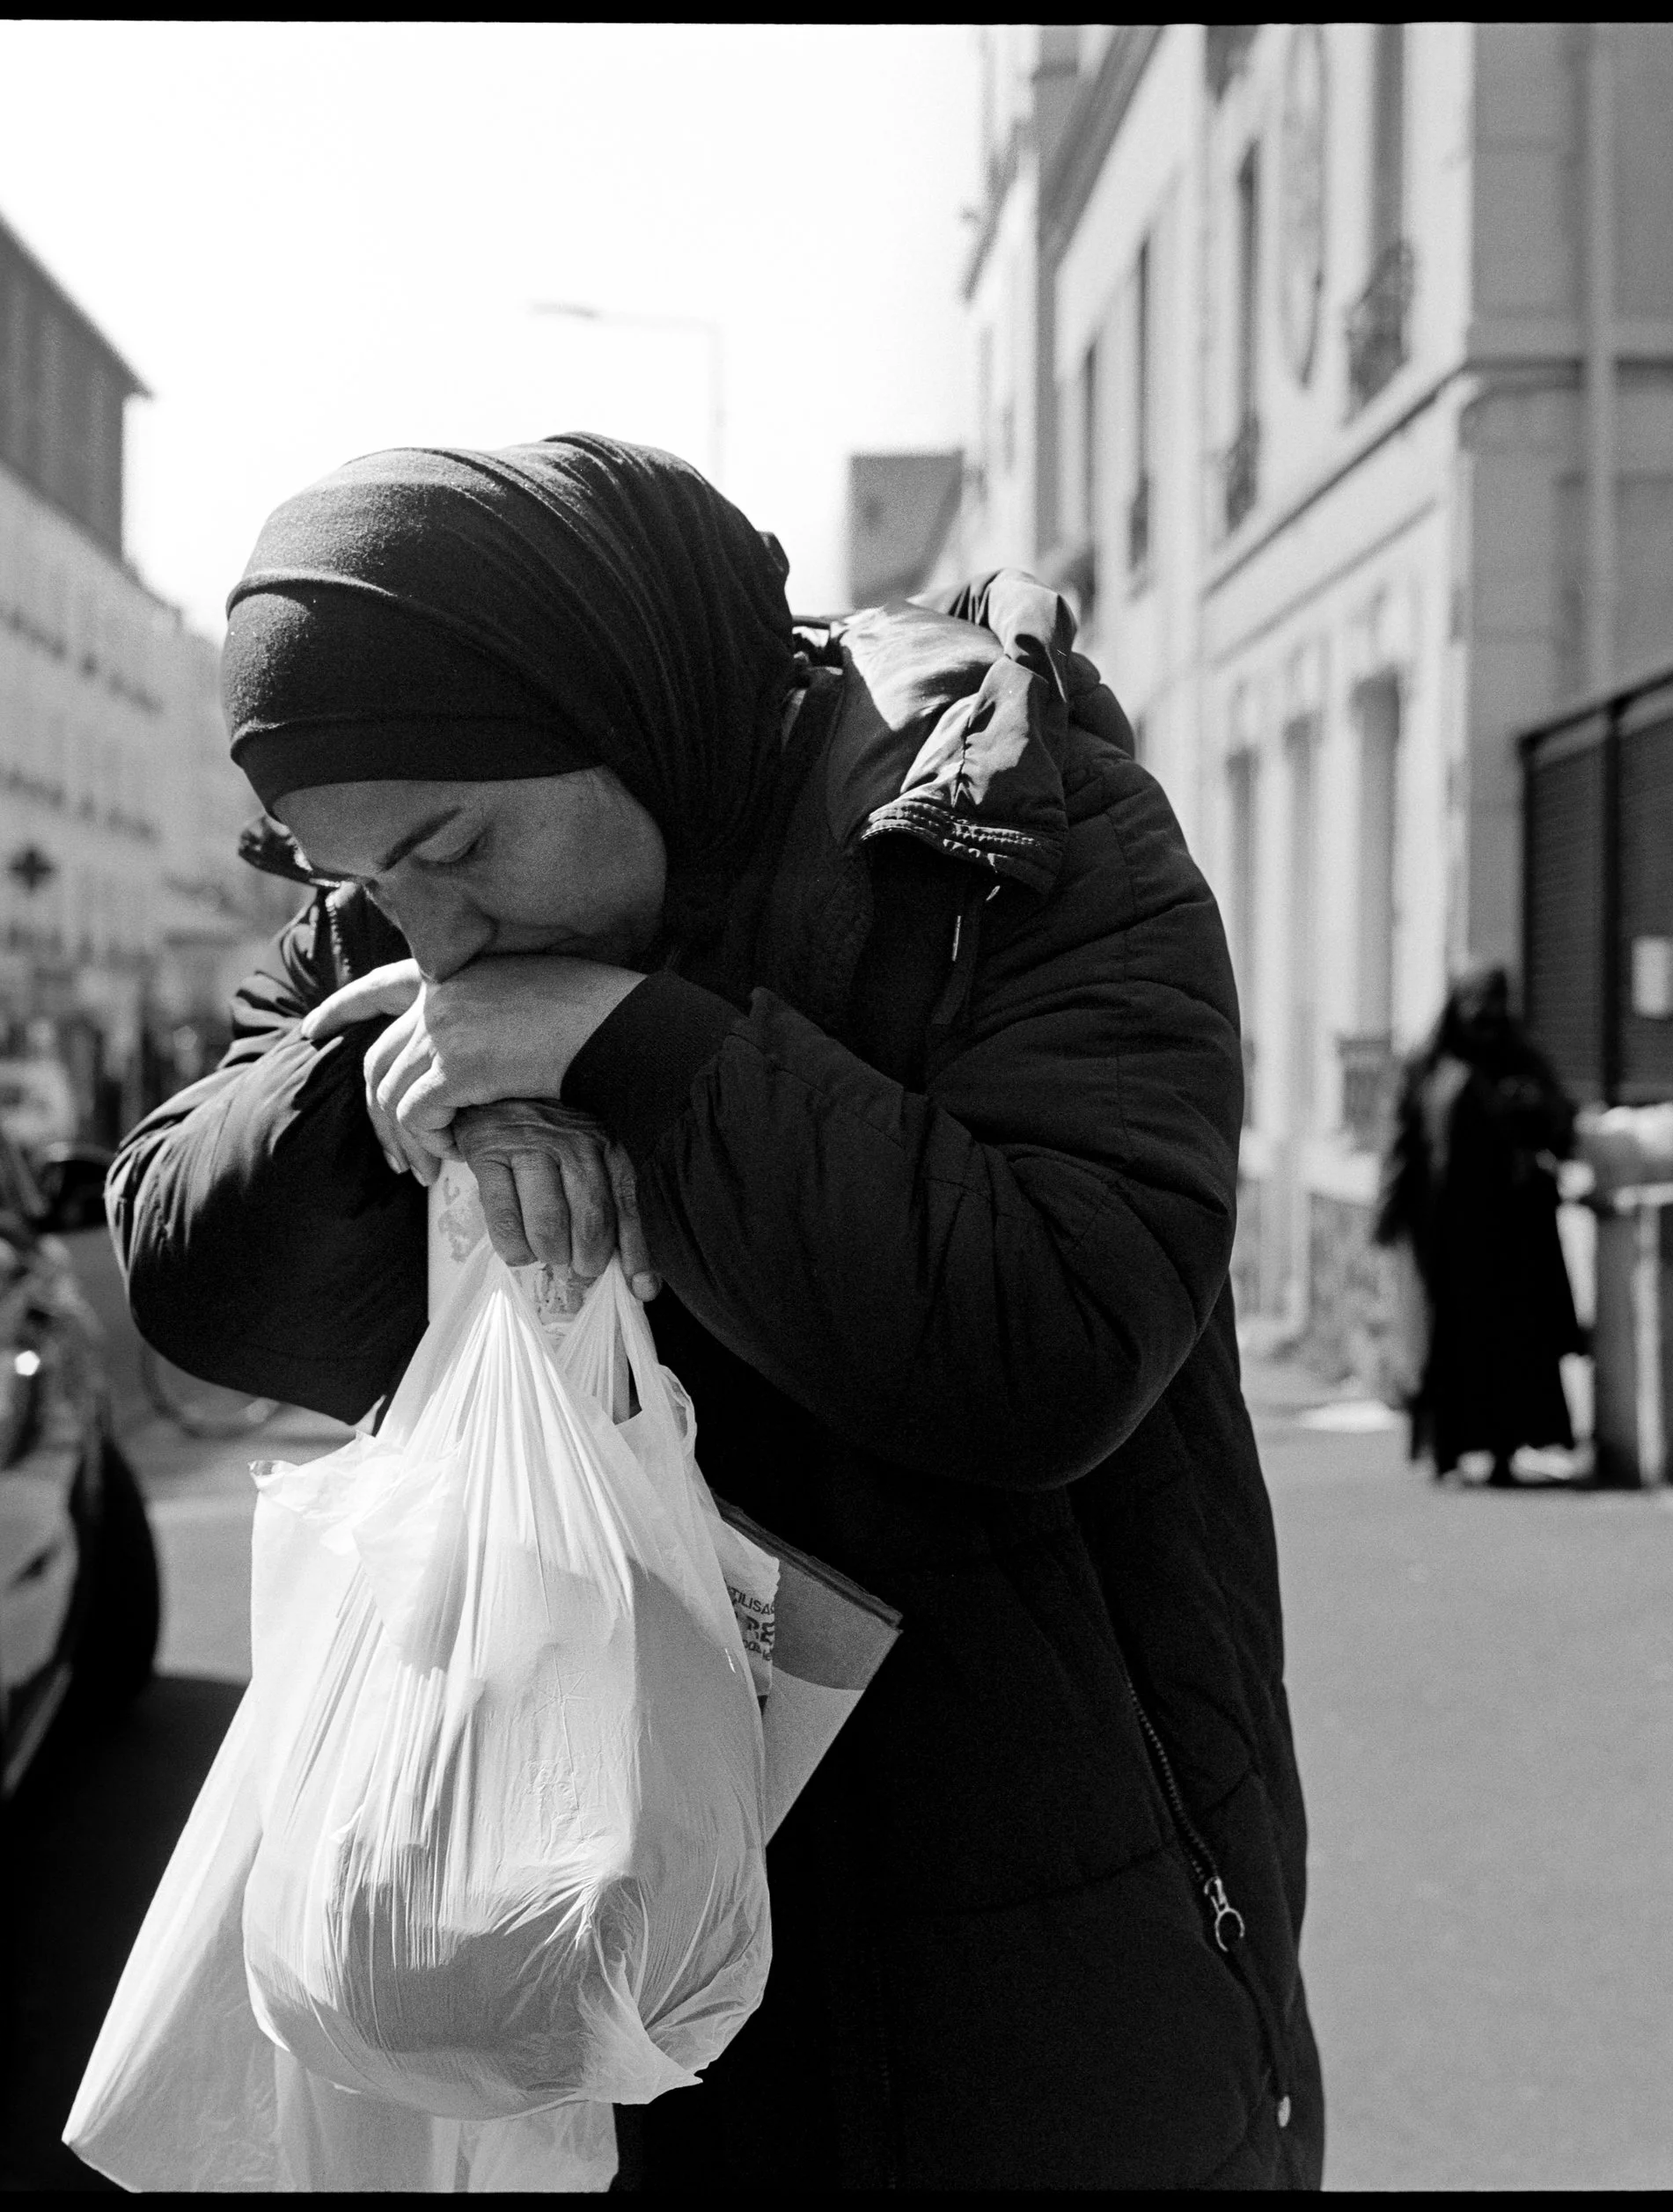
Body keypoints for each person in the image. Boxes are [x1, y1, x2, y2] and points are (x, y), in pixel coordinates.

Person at [106, 433, 1324, 2190]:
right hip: (575, 2009)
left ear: (620, 705)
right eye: (359, 882)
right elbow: (186, 1262)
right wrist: (376, 1096)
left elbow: (1053, 1340)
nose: (430, 936)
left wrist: (631, 1051)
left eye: (456, 848)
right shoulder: (396, 928)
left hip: (1024, 1997)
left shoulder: (992, 830)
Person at [1374, 965, 1582, 1485]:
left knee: (1510, 1346)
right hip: (1445, 1234)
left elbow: (1561, 1126)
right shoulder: (1427, 1065)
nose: (1487, 1019)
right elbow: (1403, 1141)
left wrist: (1533, 1107)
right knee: (1447, 1344)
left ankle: (1505, 1453)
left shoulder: (1522, 1061)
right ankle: (1446, 1452)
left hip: (1512, 1235)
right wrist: (1389, 1212)